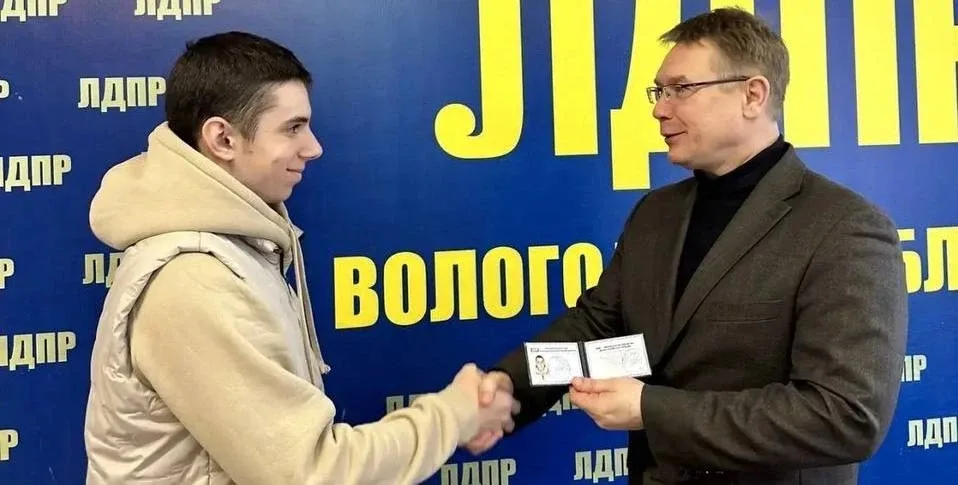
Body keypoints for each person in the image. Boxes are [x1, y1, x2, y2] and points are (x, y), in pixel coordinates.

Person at [468, 8, 908, 485]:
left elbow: (844, 415)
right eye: (659, 91)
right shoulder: (655, 214)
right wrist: (505, 388)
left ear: (752, 95)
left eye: (681, 89)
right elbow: (595, 328)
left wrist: (650, 409)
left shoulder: (844, 228)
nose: (659, 109)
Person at [83, 31, 517, 485]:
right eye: (292, 128)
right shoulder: (193, 279)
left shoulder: (231, 251)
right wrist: (454, 415)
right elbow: (310, 473)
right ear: (223, 139)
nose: (313, 147)